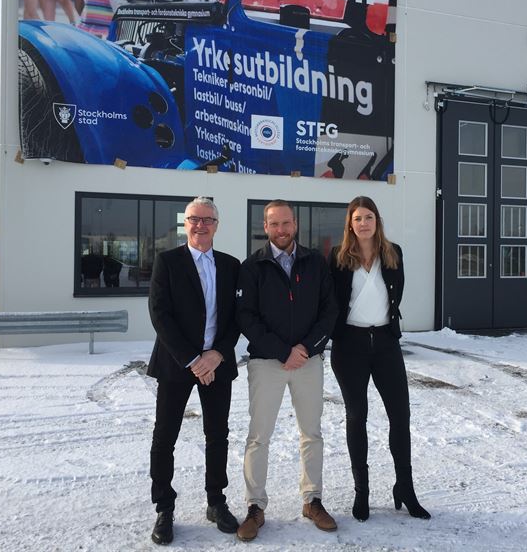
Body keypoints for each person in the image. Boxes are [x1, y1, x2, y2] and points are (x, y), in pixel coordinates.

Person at [235, 200, 338, 541]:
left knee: (312, 433)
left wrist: (305, 348)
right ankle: (255, 507)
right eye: (274, 224)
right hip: (267, 362)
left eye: (286, 223)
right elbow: (245, 317)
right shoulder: (252, 266)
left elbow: (329, 310)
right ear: (265, 227)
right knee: (258, 436)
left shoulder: (315, 263)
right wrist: (283, 351)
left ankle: (312, 501)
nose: (281, 230)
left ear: (295, 224)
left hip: (308, 361)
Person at [328, 196, 431, 521]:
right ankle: (362, 491)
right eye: (357, 218)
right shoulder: (337, 257)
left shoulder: (393, 253)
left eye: (368, 217)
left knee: (400, 416)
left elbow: (396, 294)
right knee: (357, 416)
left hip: (386, 343)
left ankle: (405, 488)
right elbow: (331, 301)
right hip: (349, 346)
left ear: (377, 221)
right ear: (350, 223)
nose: (363, 223)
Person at [147, 197, 242, 545]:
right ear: (185, 223)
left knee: (217, 435)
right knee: (165, 437)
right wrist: (193, 359)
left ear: (217, 225)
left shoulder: (231, 265)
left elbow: (238, 317)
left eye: (207, 219)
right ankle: (164, 508)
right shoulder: (168, 262)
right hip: (177, 363)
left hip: (217, 364)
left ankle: (216, 502)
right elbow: (160, 314)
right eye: (194, 219)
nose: (200, 225)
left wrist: (217, 354)